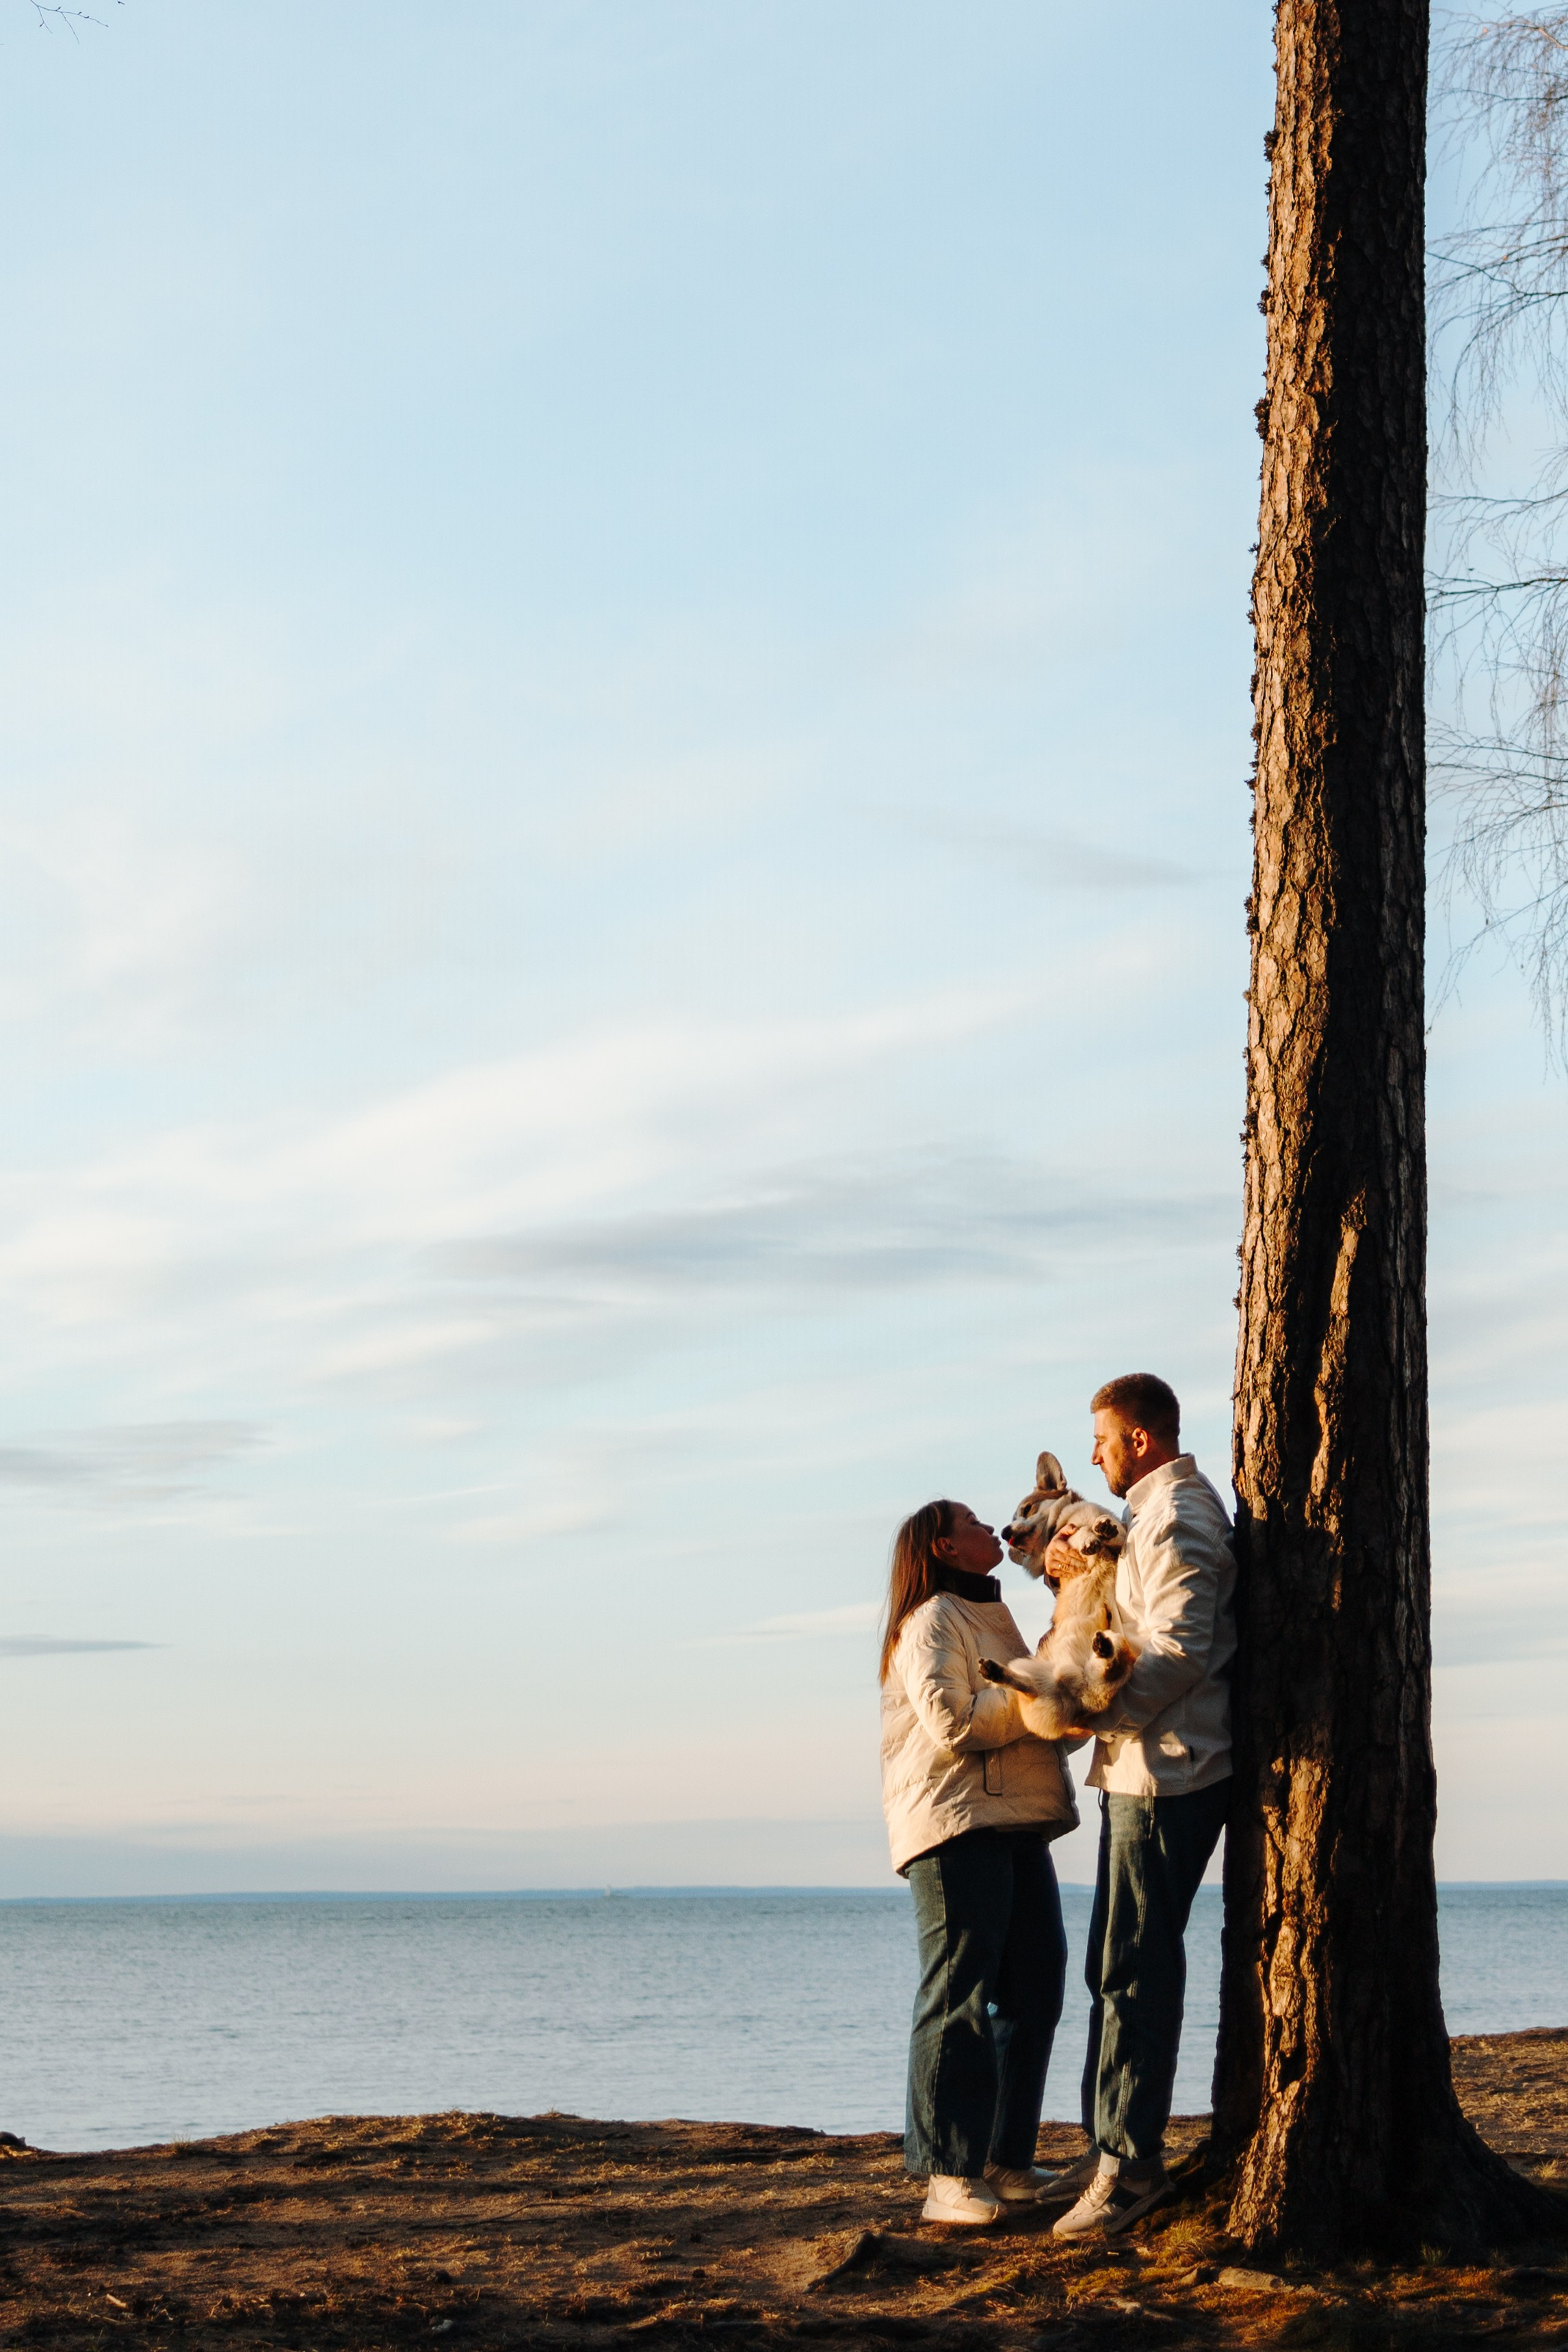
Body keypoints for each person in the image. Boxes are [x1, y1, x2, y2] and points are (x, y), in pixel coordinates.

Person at [1046, 1373, 1236, 2240]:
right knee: (1114, 1968)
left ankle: (1130, 2168)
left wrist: (1093, 1712)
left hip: (1170, 1772)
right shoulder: (1149, 1518)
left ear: (1143, 1440)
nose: (1092, 1454)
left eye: (1102, 1440)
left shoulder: (1181, 1515)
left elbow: (1180, 1648)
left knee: (1134, 1970)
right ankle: (1108, 2147)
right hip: (1142, 1770)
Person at [879, 1498, 1080, 2227]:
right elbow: (955, 1720)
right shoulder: (933, 1618)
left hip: (1017, 1821)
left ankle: (1003, 2159)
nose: (990, 1529)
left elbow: (1038, 1715)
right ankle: (946, 2176)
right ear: (943, 1546)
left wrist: (1067, 1707)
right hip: (956, 1825)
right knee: (958, 1996)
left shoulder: (994, 1617)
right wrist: (1036, 1700)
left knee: (1035, 1989)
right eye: (971, 1523)